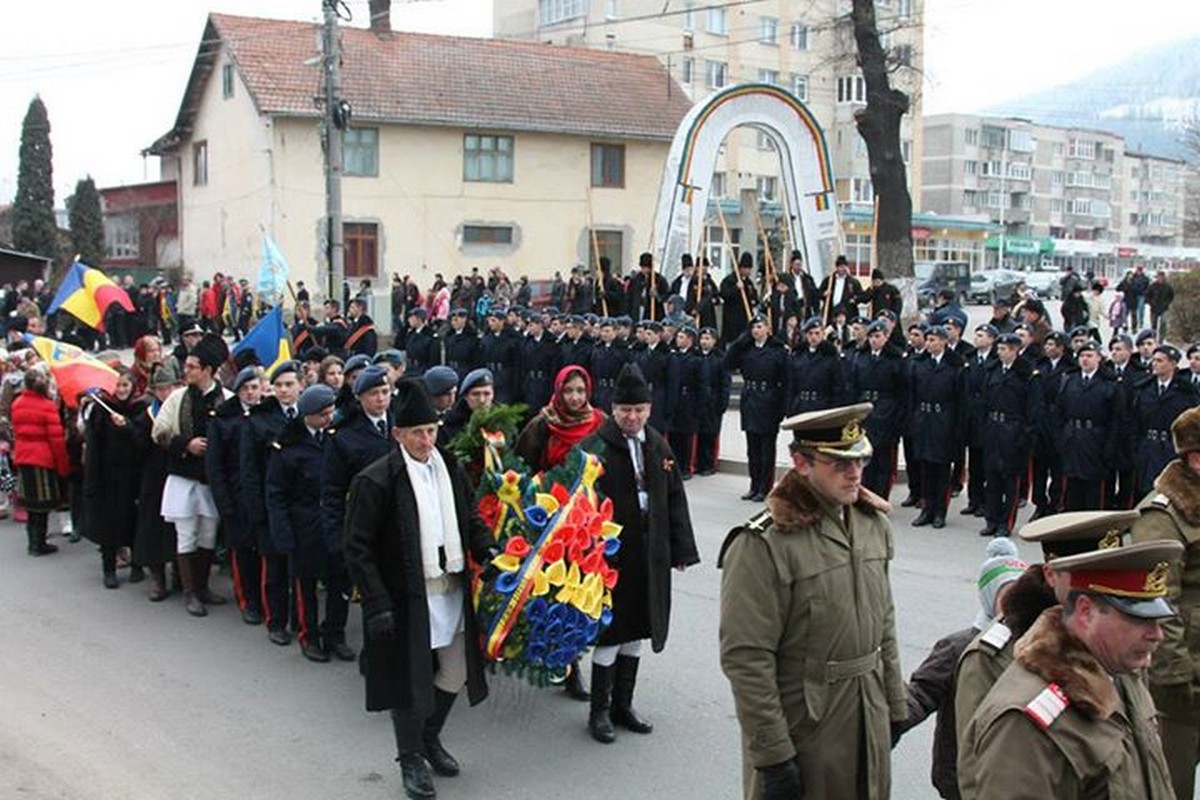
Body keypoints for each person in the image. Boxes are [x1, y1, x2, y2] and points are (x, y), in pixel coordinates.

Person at [718, 403, 905, 799]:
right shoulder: (765, 543)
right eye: (839, 463)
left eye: (860, 459)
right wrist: (772, 755)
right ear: (801, 463)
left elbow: (884, 624)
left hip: (867, 713)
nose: (854, 472)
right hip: (807, 724)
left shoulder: (872, 525)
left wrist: (893, 705)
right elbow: (746, 656)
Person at [343, 380, 495, 800]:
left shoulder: (449, 466)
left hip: (450, 586)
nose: (426, 440)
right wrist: (375, 602)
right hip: (405, 594)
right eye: (417, 433)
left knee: (458, 668)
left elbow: (471, 518)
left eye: (431, 430)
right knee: (409, 679)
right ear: (397, 434)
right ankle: (410, 759)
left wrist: (491, 550)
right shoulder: (377, 480)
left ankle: (429, 736)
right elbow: (357, 548)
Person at [957, 539, 1179, 799]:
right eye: (1140, 619)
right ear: (1086, 612)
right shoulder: (1026, 719)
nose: (1157, 634)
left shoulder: (1123, 674)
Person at [578, 362, 699, 744]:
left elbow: (675, 498)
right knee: (612, 633)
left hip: (650, 552)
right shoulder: (594, 447)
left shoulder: (658, 444)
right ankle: (598, 711)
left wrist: (681, 549)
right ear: (613, 410)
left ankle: (623, 705)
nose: (633, 417)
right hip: (611, 556)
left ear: (649, 410)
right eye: (626, 411)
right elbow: (578, 504)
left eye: (639, 410)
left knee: (638, 630)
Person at [891, 537, 1026, 800]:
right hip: (961, 775)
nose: (1013, 605)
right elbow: (921, 693)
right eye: (1006, 595)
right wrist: (885, 726)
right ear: (989, 597)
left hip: (1012, 777)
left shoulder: (1033, 646)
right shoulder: (959, 647)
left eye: (1019, 595)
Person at [1130, 405, 1200, 799]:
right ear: (1195, 458)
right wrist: (1175, 677)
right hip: (1184, 680)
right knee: (1173, 785)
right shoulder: (1162, 514)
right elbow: (1159, 602)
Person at [151, 333, 233, 617]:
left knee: (208, 535)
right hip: (184, 477)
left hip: (212, 480)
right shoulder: (177, 398)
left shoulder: (228, 400)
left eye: (192, 367)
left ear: (208, 370)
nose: (186, 372)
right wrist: (186, 445)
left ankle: (203, 586)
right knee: (186, 534)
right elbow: (159, 432)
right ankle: (190, 593)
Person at [266, 383, 338, 663]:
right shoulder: (288, 446)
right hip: (303, 526)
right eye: (323, 415)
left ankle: (333, 633)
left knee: (335, 582)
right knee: (305, 586)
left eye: (331, 413)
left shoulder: (334, 437)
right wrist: (282, 534)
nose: (329, 419)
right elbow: (276, 494)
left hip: (330, 522)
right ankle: (308, 636)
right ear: (308, 415)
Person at [241, 360, 303, 643]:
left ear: (301, 386)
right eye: (278, 385)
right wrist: (257, 512)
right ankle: (276, 622)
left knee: (300, 569)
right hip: (271, 505)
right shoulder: (258, 420)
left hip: (301, 505)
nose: (284, 390)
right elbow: (250, 471)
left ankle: (300, 619)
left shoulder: (308, 415)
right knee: (275, 568)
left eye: (289, 384)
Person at [206, 366, 264, 622]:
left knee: (265, 552)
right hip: (236, 496)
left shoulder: (268, 415)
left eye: (255, 387)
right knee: (242, 552)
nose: (251, 393)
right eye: (245, 389)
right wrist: (224, 503)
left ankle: (265, 598)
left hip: (262, 495)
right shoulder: (223, 420)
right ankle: (247, 600)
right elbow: (215, 466)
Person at [82, 368, 145, 588]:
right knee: (109, 524)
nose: (120, 390)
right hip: (108, 476)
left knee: (134, 520)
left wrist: (127, 426)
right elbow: (94, 445)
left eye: (125, 385)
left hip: (133, 476)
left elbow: (143, 441)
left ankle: (137, 563)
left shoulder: (140, 409)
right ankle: (108, 568)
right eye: (117, 386)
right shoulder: (101, 411)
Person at [979, 333, 1040, 537]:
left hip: (1013, 430)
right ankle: (992, 519)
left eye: (1004, 349)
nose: (999, 352)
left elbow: (1032, 410)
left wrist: (1024, 436)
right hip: (993, 429)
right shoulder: (993, 370)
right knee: (992, 478)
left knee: (1010, 481)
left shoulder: (1027, 374)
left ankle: (1006, 522)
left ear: (1015, 350)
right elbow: (985, 401)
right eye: (999, 348)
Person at [133, 361, 185, 601]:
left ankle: (179, 573)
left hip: (178, 475)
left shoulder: (183, 411)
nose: (165, 393)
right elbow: (137, 449)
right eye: (160, 388)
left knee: (179, 528)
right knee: (152, 528)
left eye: (170, 387)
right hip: (153, 479)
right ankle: (157, 578)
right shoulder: (147, 415)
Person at [908, 325, 967, 528]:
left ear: (943, 341)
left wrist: (958, 428)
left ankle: (940, 511)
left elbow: (961, 400)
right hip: (924, 419)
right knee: (925, 468)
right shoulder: (919, 364)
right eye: (928, 340)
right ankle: (927, 509)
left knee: (941, 470)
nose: (929, 343)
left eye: (933, 340)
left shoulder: (955, 366)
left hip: (943, 420)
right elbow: (912, 395)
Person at [724, 315, 786, 502]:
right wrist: (739, 342)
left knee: (766, 449)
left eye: (759, 327)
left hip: (768, 400)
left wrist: (782, 407)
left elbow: (785, 380)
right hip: (750, 398)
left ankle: (765, 487)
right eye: (753, 327)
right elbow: (727, 363)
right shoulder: (746, 349)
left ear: (768, 328)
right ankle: (753, 485)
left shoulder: (777, 350)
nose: (756, 331)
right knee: (752, 448)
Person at [11, 364, 69, 557]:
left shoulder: (17, 403)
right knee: (42, 504)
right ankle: (40, 542)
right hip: (42, 458)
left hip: (23, 455)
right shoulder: (47, 407)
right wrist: (63, 466)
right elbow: (56, 440)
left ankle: (32, 541)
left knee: (29, 503)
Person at [514, 365, 605, 473]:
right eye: (568, 391)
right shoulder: (542, 424)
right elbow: (522, 466)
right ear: (559, 391)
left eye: (580, 391)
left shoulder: (600, 421)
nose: (574, 398)